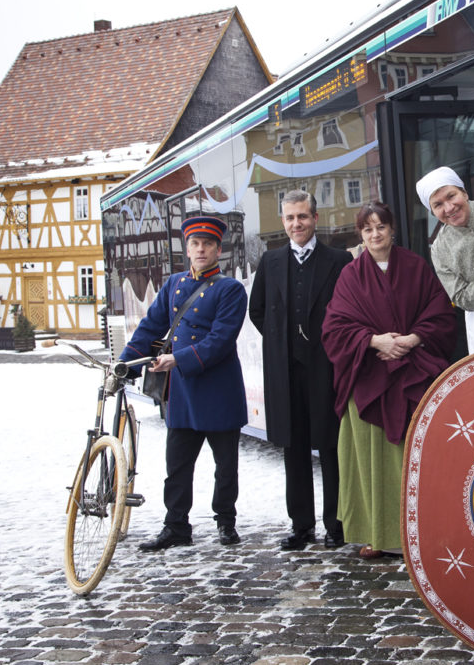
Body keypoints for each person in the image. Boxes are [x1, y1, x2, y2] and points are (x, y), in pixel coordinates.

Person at [321, 201, 456, 558]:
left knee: (416, 455)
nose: (375, 234)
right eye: (367, 229)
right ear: (360, 234)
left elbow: (440, 313)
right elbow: (334, 328)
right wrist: (372, 340)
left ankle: (421, 532)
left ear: (392, 229)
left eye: (381, 227)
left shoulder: (415, 266)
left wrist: (413, 339)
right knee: (369, 462)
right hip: (368, 379)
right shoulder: (350, 275)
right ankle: (375, 533)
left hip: (413, 373)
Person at [121, 215, 248, 551]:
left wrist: (178, 359)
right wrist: (124, 363)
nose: (201, 249)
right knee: (176, 466)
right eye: (195, 244)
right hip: (183, 393)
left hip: (219, 389)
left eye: (208, 244)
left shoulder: (230, 289)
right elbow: (150, 327)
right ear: (187, 249)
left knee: (226, 467)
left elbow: (220, 340)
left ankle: (225, 521)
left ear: (218, 249)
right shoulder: (174, 284)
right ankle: (176, 525)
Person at [248, 190, 353, 551]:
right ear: (283, 222)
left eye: (303, 217)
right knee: (292, 450)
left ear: (315, 218)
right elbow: (257, 311)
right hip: (285, 371)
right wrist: (283, 341)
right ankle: (301, 526)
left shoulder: (338, 260)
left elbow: (348, 309)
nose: (297, 224)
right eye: (290, 218)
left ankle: (336, 524)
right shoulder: (270, 262)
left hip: (325, 369)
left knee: (330, 446)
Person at [415, 166, 474, 353]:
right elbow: (463, 299)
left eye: (451, 196)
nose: (449, 208)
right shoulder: (440, 249)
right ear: (432, 212)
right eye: (438, 205)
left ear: (464, 192)